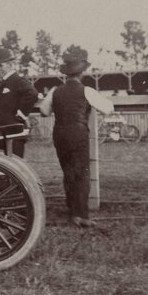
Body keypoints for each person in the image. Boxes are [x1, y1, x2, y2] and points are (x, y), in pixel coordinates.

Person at [39, 49, 114, 228]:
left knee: (68, 173)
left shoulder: (55, 91)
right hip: (78, 134)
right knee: (81, 173)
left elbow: (43, 111)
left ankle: (72, 212)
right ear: (82, 73)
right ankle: (82, 215)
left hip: (60, 133)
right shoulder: (87, 90)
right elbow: (108, 109)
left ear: (66, 74)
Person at [0, 48, 38, 157]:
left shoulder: (17, 80)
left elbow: (32, 93)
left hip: (14, 134)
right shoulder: (5, 83)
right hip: (3, 133)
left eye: (0, 66)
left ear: (10, 64)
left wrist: (22, 114)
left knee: (14, 166)